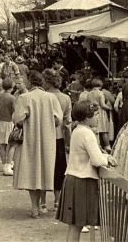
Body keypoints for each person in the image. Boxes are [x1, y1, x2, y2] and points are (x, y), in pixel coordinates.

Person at [56, 100, 117, 242]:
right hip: (82, 180)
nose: (97, 118)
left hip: (73, 177)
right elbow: (96, 160)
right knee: (78, 224)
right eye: (95, 115)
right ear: (87, 117)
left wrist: (105, 156)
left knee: (75, 225)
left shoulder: (77, 130)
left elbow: (89, 154)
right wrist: (107, 159)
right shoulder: (87, 133)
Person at [12, 70, 63, 218]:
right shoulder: (51, 98)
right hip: (48, 139)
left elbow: (19, 119)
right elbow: (58, 120)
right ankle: (42, 204)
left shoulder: (24, 97)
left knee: (31, 170)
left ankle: (35, 206)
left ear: (30, 82)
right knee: (44, 170)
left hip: (30, 139)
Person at [43, 69, 72, 209]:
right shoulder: (66, 98)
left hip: (43, 136)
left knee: (43, 167)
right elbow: (67, 122)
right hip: (59, 136)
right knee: (59, 168)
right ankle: (57, 199)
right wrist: (69, 141)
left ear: (47, 81)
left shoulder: (43, 96)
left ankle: (42, 201)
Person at [0, 77, 16, 176]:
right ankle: (8, 165)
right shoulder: (12, 98)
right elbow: (15, 111)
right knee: (11, 145)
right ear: (12, 86)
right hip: (9, 122)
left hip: (0, 122)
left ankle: (3, 165)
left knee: (2, 145)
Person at [87, 78, 111, 152]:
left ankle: (96, 146)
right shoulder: (100, 93)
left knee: (94, 130)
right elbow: (103, 105)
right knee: (104, 131)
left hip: (92, 112)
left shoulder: (89, 93)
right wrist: (109, 108)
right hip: (100, 112)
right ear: (100, 85)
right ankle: (107, 147)